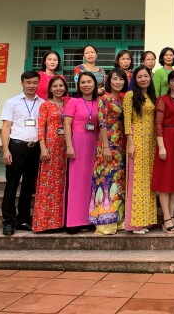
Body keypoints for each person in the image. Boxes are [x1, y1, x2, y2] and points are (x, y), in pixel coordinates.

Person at [0, 70, 44, 236]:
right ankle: (8, 221)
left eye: (35, 82)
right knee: (11, 185)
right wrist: (6, 150)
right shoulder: (12, 102)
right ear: (22, 83)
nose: (31, 85)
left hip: (35, 149)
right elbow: (6, 128)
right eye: (28, 82)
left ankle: (23, 219)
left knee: (28, 186)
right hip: (17, 147)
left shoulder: (42, 103)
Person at [89, 68, 128, 235]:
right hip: (108, 145)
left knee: (119, 183)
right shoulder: (104, 98)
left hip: (121, 145)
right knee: (106, 181)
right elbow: (102, 123)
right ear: (108, 81)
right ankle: (106, 223)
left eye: (121, 79)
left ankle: (118, 220)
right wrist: (105, 146)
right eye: (115, 79)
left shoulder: (124, 98)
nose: (118, 82)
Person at [63, 71, 99, 233]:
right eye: (83, 82)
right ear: (78, 85)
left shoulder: (99, 101)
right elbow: (67, 124)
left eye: (89, 82)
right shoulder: (74, 101)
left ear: (95, 84)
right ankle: (73, 221)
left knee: (91, 182)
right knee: (76, 182)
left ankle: (88, 219)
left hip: (94, 143)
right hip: (77, 142)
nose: (86, 85)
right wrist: (69, 145)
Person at [123, 65, 158, 234]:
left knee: (148, 181)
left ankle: (147, 219)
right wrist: (130, 143)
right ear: (134, 80)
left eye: (146, 76)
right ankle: (135, 222)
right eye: (139, 77)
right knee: (136, 180)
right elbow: (127, 121)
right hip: (136, 139)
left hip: (151, 142)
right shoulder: (130, 95)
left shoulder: (151, 96)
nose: (143, 79)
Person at [153, 70, 174, 234]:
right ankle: (165, 217)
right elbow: (158, 124)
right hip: (167, 139)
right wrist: (161, 146)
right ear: (169, 82)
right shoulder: (163, 99)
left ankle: (172, 215)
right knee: (165, 181)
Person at [33, 75, 68, 233]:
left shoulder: (69, 104)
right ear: (50, 89)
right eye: (55, 86)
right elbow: (41, 128)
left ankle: (60, 222)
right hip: (50, 148)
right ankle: (45, 223)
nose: (58, 89)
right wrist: (43, 148)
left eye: (61, 86)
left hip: (66, 148)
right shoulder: (45, 106)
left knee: (62, 185)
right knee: (48, 185)